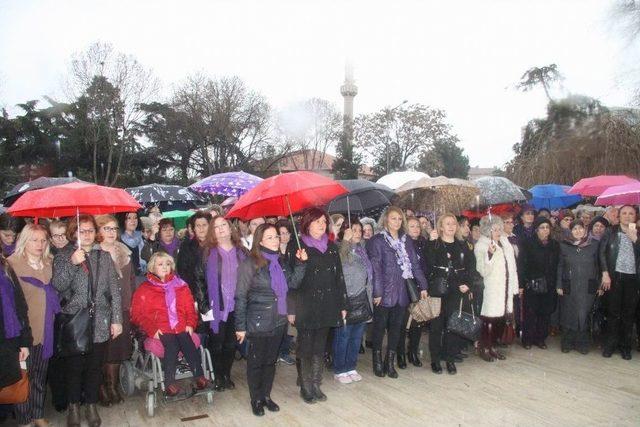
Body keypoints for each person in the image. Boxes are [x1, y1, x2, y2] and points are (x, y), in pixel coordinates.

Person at [52, 215, 122, 427]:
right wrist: (73, 264)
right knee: (74, 367)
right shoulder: (65, 255)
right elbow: (57, 285)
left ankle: (91, 405)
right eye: (82, 231)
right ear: (74, 233)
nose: (87, 234)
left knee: (94, 366)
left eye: (90, 230)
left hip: (100, 319)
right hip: (75, 320)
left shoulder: (104, 256)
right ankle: (74, 406)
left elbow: (114, 291)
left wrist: (117, 319)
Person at [235, 224, 307, 416]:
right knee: (256, 362)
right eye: (270, 237)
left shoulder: (281, 261)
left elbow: (292, 283)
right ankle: (256, 399)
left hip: (279, 320)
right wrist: (240, 327)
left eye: (276, 236)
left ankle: (266, 396)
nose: (275, 240)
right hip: (258, 321)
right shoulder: (250, 263)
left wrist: (300, 264)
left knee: (270, 361)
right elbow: (240, 296)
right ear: (259, 241)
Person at [285, 207, 347, 404]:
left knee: (320, 347)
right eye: (317, 221)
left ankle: (316, 384)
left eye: (323, 221)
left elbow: (339, 277)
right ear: (307, 223)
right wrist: (291, 309)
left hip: (328, 303)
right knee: (306, 347)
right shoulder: (297, 245)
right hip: (306, 304)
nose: (322, 225)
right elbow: (291, 283)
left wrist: (342, 303)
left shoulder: (331, 246)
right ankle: (306, 386)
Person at [130, 252, 209, 397]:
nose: (165, 267)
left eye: (167, 264)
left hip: (180, 326)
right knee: (172, 344)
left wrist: (191, 323)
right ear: (152, 268)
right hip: (160, 328)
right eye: (160, 264)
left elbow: (190, 309)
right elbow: (136, 315)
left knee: (187, 341)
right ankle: (169, 383)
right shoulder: (144, 289)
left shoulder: (181, 286)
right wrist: (152, 329)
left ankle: (199, 377)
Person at [367, 207, 427, 379]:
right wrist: (377, 292)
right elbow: (375, 269)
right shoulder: (377, 241)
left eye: (400, 219)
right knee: (379, 328)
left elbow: (414, 264)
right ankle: (377, 361)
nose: (397, 222)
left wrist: (423, 285)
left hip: (402, 291)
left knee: (397, 328)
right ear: (386, 220)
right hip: (384, 291)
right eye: (393, 219)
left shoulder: (406, 240)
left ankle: (389, 361)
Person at [7, 224, 58, 427]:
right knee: (22, 377)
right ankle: (24, 419)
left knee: (40, 374)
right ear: (24, 241)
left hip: (46, 330)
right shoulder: (11, 265)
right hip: (22, 332)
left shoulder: (50, 262)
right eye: (34, 240)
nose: (39, 244)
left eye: (43, 240)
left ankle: (37, 414)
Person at [193, 215, 246, 391]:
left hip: (236, 306)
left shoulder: (242, 252)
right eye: (216, 227)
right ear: (212, 232)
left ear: (231, 228)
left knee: (231, 344)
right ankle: (217, 375)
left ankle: (226, 375)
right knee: (217, 344)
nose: (221, 228)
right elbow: (199, 281)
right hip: (215, 307)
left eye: (224, 225)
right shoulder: (206, 253)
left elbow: (248, 280)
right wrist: (204, 307)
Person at [425, 213, 474, 375]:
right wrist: (431, 243)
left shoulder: (463, 245)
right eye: (447, 224)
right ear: (440, 227)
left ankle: (450, 359)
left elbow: (470, 267)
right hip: (438, 290)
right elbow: (429, 265)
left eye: (453, 223)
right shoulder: (435, 244)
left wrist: (467, 284)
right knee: (436, 327)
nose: (451, 226)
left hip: (456, 291)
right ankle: (435, 359)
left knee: (453, 327)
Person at [95, 215, 134, 406]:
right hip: (102, 310)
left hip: (124, 307)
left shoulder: (124, 251)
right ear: (98, 231)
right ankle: (102, 386)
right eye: (107, 229)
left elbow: (131, 280)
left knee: (118, 350)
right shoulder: (93, 253)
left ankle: (113, 385)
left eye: (114, 229)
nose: (112, 232)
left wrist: (132, 302)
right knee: (104, 350)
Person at [474, 216, 519, 362]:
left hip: (506, 286)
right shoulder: (481, 245)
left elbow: (512, 265)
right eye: (495, 229)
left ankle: (493, 346)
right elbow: (482, 270)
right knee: (489, 319)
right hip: (492, 289)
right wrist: (490, 254)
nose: (498, 231)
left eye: (500, 228)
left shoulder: (505, 242)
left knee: (501, 318)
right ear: (488, 231)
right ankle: (484, 347)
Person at [333, 220, 372, 383]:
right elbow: (339, 264)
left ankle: (351, 366)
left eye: (359, 230)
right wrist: (344, 242)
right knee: (343, 336)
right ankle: (339, 369)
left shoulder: (362, 249)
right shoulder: (338, 248)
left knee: (356, 337)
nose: (357, 233)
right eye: (353, 230)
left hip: (362, 298)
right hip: (346, 299)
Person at [599, 205, 640, 360]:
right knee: (613, 313)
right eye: (624, 213)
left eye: (631, 213)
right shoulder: (610, 231)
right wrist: (605, 273)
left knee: (628, 314)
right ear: (619, 216)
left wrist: (635, 239)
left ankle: (625, 347)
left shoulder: (638, 232)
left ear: (635, 216)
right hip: (614, 276)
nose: (627, 216)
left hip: (633, 279)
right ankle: (610, 345)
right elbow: (602, 253)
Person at [557, 221, 599, 354]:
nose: (578, 231)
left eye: (580, 228)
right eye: (574, 229)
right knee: (569, 313)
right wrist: (559, 284)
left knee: (583, 314)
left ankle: (582, 344)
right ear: (570, 231)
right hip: (569, 284)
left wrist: (599, 285)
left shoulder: (594, 245)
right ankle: (567, 343)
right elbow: (559, 266)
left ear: (585, 230)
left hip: (588, 285)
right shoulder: (564, 245)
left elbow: (599, 266)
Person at [517, 217, 560, 350]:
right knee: (530, 312)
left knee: (545, 313)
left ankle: (540, 338)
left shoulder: (554, 245)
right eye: (542, 227)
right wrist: (522, 283)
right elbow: (522, 265)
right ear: (536, 230)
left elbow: (557, 265)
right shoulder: (528, 243)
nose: (545, 230)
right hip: (532, 283)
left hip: (549, 284)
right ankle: (527, 339)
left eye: (547, 227)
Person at [0, 256, 32, 421]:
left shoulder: (5, 268)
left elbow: (20, 306)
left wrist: (24, 343)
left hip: (7, 340)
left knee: (7, 389)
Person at [397, 216, 428, 368]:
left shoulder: (424, 243)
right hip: (405, 286)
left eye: (417, 226)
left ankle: (413, 352)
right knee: (402, 323)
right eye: (412, 226)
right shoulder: (401, 244)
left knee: (418, 322)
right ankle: (400, 354)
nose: (416, 229)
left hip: (420, 286)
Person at [177, 211, 211, 298]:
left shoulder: (216, 246)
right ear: (193, 228)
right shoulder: (186, 246)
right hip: (193, 294)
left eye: (204, 225)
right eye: (198, 226)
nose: (201, 228)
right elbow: (182, 272)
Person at [117, 211, 145, 276]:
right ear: (123, 220)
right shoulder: (118, 240)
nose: (133, 221)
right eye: (129, 218)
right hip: (126, 277)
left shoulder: (141, 237)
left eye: (135, 218)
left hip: (141, 275)